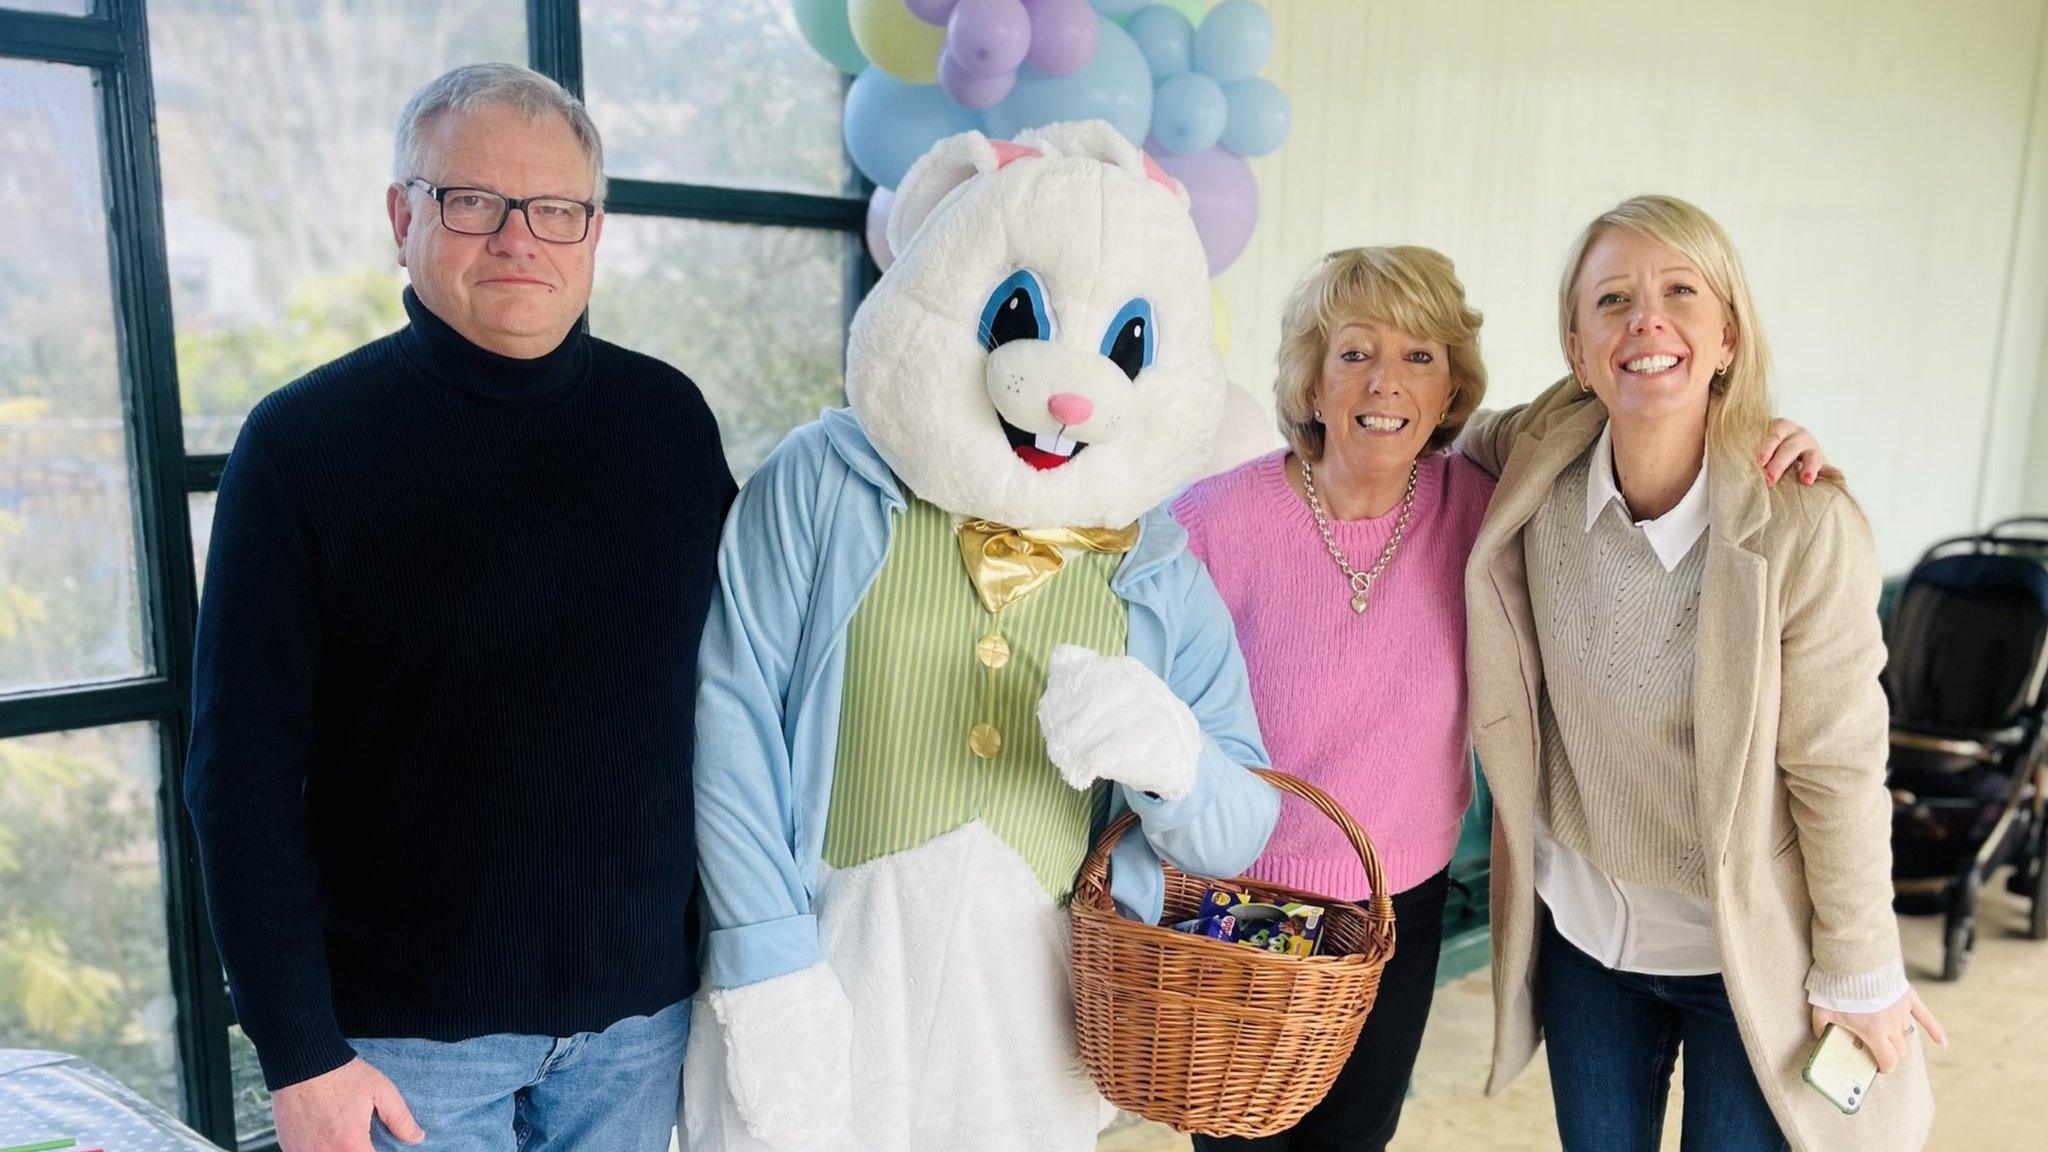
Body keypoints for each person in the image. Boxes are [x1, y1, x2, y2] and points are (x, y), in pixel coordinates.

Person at [183, 62, 734, 1152]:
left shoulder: (669, 426)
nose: (518, 240)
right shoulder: (301, 448)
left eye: (555, 209)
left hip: (641, 1028)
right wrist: (300, 1056)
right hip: (400, 1048)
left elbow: (740, 702)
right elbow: (236, 780)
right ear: (403, 215)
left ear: (594, 230)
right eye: (471, 201)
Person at [1174, 243, 1833, 1152]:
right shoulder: (1210, 521)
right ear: (1310, 380)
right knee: (1239, 1137)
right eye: (1355, 352)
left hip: (1395, 899)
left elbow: (1629, 428)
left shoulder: (1486, 506)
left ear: (1451, 391)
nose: (1386, 385)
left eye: (1419, 357)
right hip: (1241, 896)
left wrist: (1748, 427)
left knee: (1355, 1138)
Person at [1460, 194, 1943, 1152]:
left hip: (1745, 955)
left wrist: (1862, 971)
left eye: (1681, 292)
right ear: (1574, 343)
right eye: (1613, 300)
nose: (1647, 320)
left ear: (1727, 334)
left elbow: (1840, 768)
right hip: (1587, 942)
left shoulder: (1803, 526)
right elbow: (1434, 432)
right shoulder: (1532, 461)